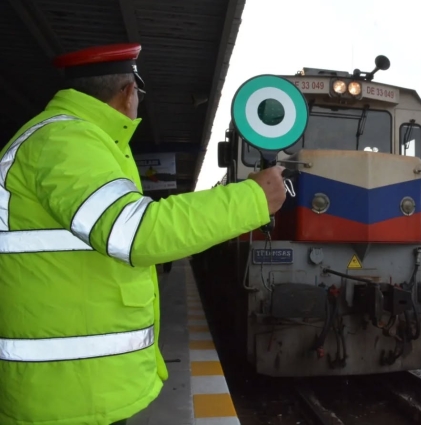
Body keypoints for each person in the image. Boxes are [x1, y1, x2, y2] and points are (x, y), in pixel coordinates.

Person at [0, 43, 287, 425]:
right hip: (65, 394)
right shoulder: (66, 142)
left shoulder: (78, 140)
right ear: (128, 92)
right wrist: (252, 199)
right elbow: (135, 233)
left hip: (77, 384)